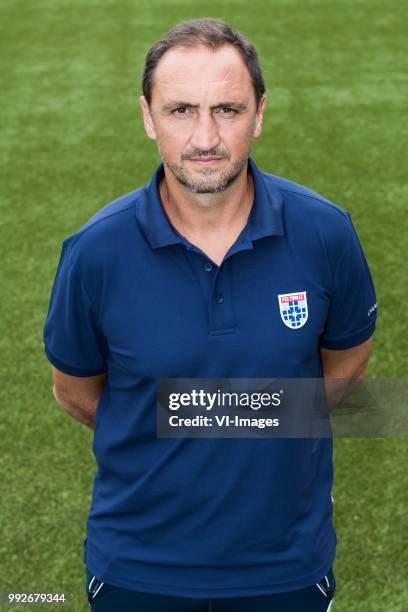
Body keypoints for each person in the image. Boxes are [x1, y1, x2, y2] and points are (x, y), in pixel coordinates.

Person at [43, 18, 377, 612]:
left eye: (227, 109)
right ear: (148, 117)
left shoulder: (326, 232)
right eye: (180, 111)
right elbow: (75, 392)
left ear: (259, 114)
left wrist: (238, 419)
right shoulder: (95, 251)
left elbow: (346, 363)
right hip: (137, 571)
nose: (205, 136)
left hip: (285, 568)